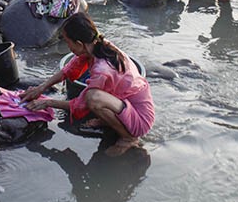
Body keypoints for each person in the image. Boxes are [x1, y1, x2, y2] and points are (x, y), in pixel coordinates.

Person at [20, 12, 154, 156]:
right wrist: (41, 88)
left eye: (68, 42)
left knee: (93, 98)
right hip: (124, 104)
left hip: (140, 119)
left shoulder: (102, 69)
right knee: (94, 96)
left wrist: (47, 103)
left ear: (79, 44)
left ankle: (128, 138)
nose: (68, 46)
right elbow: (68, 69)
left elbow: (82, 103)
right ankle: (109, 121)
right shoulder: (97, 45)